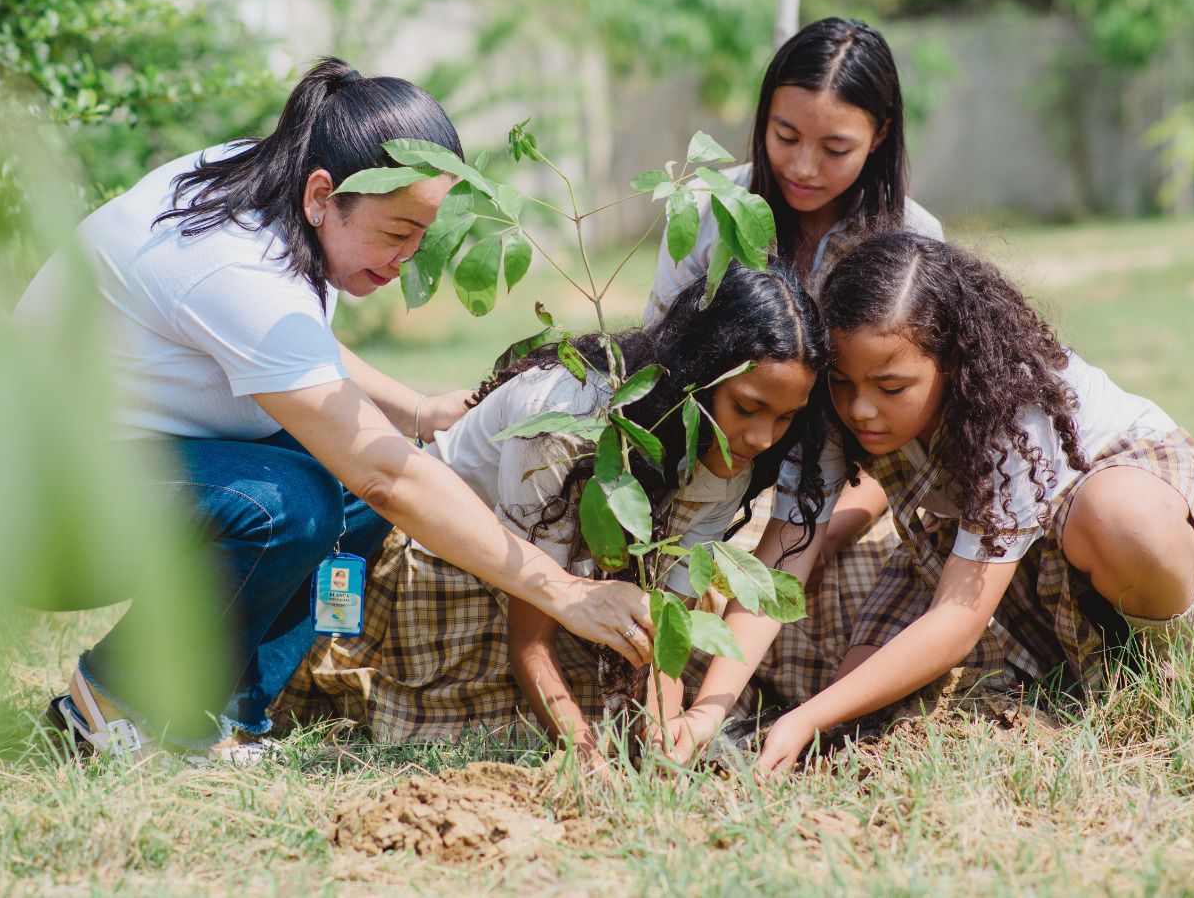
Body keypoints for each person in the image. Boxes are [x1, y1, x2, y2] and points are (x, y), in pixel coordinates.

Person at [14, 58, 653, 759]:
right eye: (396, 232)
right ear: (324, 195)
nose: (408, 258)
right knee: (292, 502)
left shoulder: (277, 180)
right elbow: (385, 471)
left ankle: (224, 718)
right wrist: (562, 589)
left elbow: (291, 347)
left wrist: (419, 410)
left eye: (423, 235)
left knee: (347, 488)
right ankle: (115, 698)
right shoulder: (234, 263)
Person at [670, 233, 1194, 772]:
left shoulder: (1013, 410)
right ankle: (1062, 679)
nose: (860, 408)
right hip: (975, 551)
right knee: (859, 701)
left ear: (953, 363)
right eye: (843, 383)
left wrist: (803, 718)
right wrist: (707, 713)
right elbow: (783, 567)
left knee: (1121, 517)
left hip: (1109, 521)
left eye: (891, 388)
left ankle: (1173, 683)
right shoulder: (833, 410)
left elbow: (959, 620)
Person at [276, 263, 830, 767]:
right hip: (466, 569)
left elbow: (667, 621)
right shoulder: (568, 418)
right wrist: (583, 752)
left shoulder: (728, 453)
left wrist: (664, 723)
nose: (761, 437)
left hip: (576, 584)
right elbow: (530, 639)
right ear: (694, 374)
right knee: (498, 726)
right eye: (747, 408)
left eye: (785, 418)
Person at [646, 17, 945, 564]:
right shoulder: (707, 209)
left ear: (879, 135)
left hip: (849, 486)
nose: (803, 167)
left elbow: (905, 419)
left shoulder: (914, 240)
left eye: (835, 148)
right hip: (712, 472)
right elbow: (660, 362)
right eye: (785, 137)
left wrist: (827, 530)